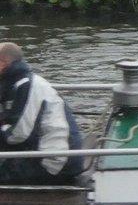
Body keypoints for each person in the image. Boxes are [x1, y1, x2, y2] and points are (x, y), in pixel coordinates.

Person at [0, 42, 85, 185]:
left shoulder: (27, 85)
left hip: (53, 163)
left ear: (2, 63)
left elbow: (17, 134)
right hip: (39, 154)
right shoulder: (14, 83)